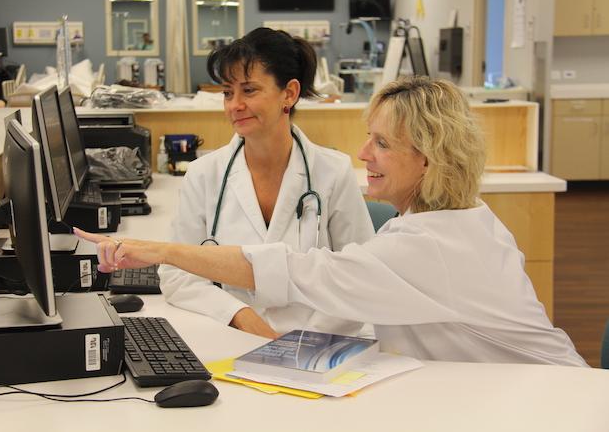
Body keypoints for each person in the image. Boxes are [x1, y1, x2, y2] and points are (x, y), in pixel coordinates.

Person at [76, 77, 587, 366]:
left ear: (429, 160)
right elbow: (353, 290)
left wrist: (163, 251)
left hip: (551, 403)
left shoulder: (432, 245)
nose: (363, 152)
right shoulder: (461, 217)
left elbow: (300, 271)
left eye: (382, 144)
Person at [156, 27, 374, 339]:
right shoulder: (204, 174)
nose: (234, 105)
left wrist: (305, 340)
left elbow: (360, 277)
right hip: (232, 339)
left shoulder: (332, 172)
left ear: (290, 93)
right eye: (228, 93)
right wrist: (239, 315)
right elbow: (178, 274)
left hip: (321, 342)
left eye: (249, 91)